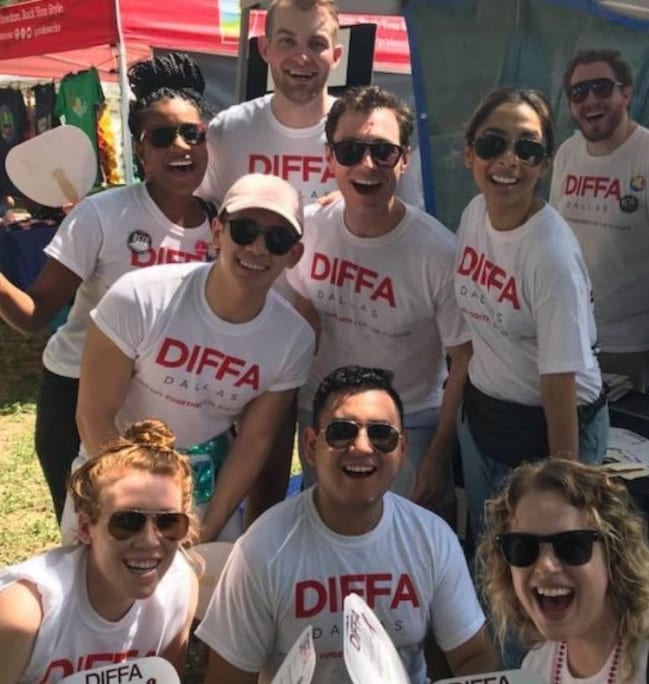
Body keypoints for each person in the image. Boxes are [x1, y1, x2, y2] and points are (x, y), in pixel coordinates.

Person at [0, 53, 213, 523]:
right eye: (162, 136)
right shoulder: (102, 215)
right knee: (89, 532)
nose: (180, 146)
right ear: (140, 150)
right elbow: (35, 315)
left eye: (192, 133)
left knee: (160, 529)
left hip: (166, 401)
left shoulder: (225, 225)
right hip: (77, 393)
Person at [196, 365, 500, 683]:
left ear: (402, 449)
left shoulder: (433, 538)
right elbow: (226, 678)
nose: (363, 447)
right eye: (342, 432)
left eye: (381, 435)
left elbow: (473, 655)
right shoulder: (261, 548)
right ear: (311, 446)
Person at [70, 173, 315, 544]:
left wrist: (205, 530)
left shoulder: (293, 338)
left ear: (294, 255)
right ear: (217, 232)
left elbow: (254, 442)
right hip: (112, 470)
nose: (258, 248)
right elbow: (94, 416)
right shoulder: (139, 298)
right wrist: (135, 510)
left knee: (206, 581)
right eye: (244, 230)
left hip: (205, 485)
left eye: (277, 239)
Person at [287, 85, 471, 515]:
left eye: (383, 151)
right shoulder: (308, 228)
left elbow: (464, 358)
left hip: (408, 421)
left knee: (402, 538)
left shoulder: (438, 253)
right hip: (323, 415)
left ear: (404, 159)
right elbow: (296, 311)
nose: (366, 165)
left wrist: (438, 453)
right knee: (327, 528)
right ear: (329, 158)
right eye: (350, 151)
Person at [454, 87, 607, 538]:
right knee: (488, 551)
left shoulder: (550, 255)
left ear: (545, 163)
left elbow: (559, 387)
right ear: (469, 154)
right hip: (485, 421)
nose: (508, 160)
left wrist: (563, 488)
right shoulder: (474, 213)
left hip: (549, 431)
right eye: (492, 143)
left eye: (527, 148)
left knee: (538, 554)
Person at [477, 458, 649, 682]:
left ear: (613, 554)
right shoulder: (539, 665)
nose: (546, 565)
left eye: (572, 545)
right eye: (523, 547)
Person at [0, 419, 198, 684]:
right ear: (85, 528)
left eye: (168, 522)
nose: (150, 541)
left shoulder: (180, 588)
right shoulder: (25, 611)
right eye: (127, 522)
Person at [550, 49, 649, 392]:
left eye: (601, 87)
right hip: (573, 337)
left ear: (625, 93)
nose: (590, 100)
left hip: (635, 346)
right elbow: (556, 241)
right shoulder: (567, 153)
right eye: (578, 93)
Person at [198, 0, 422, 209]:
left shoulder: (373, 135)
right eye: (287, 41)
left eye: (316, 44)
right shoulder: (227, 132)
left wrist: (365, 204)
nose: (301, 58)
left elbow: (406, 220)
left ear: (336, 56)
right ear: (265, 48)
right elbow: (198, 218)